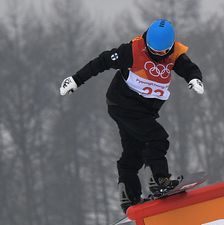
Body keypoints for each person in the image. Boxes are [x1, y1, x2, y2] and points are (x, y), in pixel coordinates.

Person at [59, 19, 204, 213]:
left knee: (134, 150)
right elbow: (102, 61)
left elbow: (189, 68)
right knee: (157, 139)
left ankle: (129, 195)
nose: (157, 55)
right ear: (147, 42)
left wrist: (195, 79)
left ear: (169, 48)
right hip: (124, 104)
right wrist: (76, 80)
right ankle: (160, 180)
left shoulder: (174, 55)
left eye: (162, 52)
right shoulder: (132, 51)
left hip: (143, 111)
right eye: (153, 50)